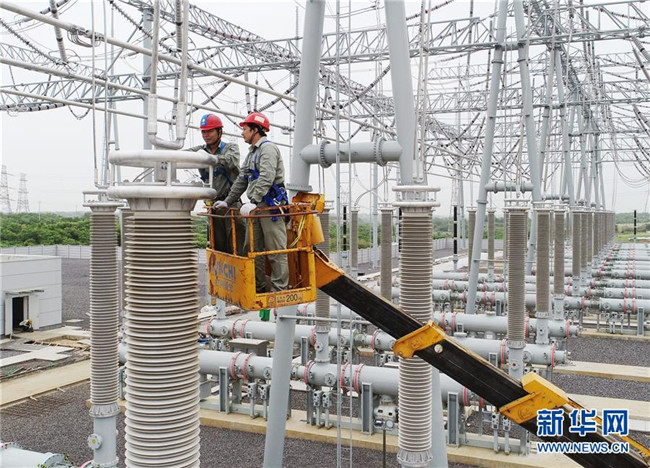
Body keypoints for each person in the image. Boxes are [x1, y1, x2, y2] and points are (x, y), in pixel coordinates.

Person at [216, 112, 289, 293]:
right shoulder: (252, 153)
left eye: (245, 129)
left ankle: (279, 289)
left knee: (275, 250)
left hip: (270, 207)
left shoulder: (267, 149)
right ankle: (258, 287)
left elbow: (266, 177)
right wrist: (227, 201)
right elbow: (242, 179)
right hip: (256, 207)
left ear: (255, 130)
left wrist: (254, 200)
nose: (242, 133)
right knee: (252, 248)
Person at [190, 113, 246, 255]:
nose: (206, 135)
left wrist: (209, 158)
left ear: (219, 132)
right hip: (213, 206)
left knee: (237, 245)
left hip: (231, 204)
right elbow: (183, 155)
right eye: (203, 132)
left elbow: (231, 160)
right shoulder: (201, 149)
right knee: (217, 247)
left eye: (209, 131)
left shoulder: (231, 148)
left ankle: (239, 269)